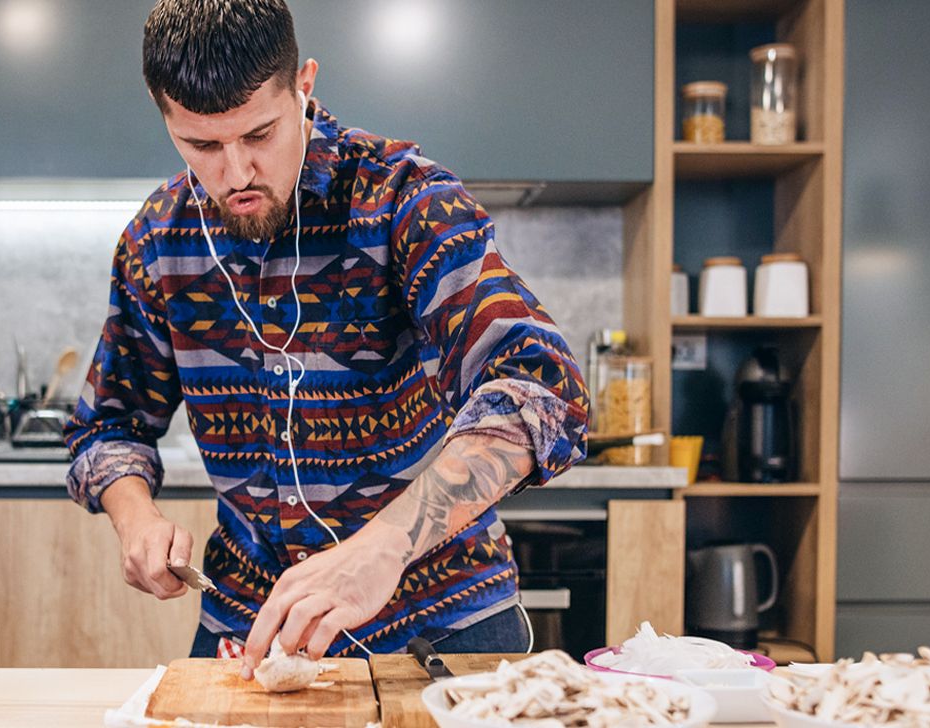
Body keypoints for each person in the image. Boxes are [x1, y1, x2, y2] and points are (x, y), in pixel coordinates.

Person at [63, 0, 588, 680]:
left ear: (303, 85)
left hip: (441, 620)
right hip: (252, 627)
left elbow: (544, 391)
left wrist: (383, 548)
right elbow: (108, 425)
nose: (235, 173)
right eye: (202, 146)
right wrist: (133, 518)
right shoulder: (158, 241)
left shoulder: (405, 200)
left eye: (259, 134)